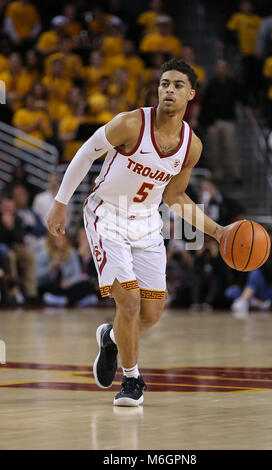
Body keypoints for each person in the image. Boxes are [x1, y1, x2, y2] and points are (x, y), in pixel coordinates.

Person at [46, 59, 227, 407]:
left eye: (177, 85)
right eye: (163, 84)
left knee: (151, 314)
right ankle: (132, 381)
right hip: (107, 217)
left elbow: (174, 196)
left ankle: (111, 337)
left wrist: (218, 232)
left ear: (191, 94)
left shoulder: (192, 145)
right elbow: (85, 154)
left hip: (146, 223)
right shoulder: (131, 123)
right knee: (128, 302)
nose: (168, 90)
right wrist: (60, 202)